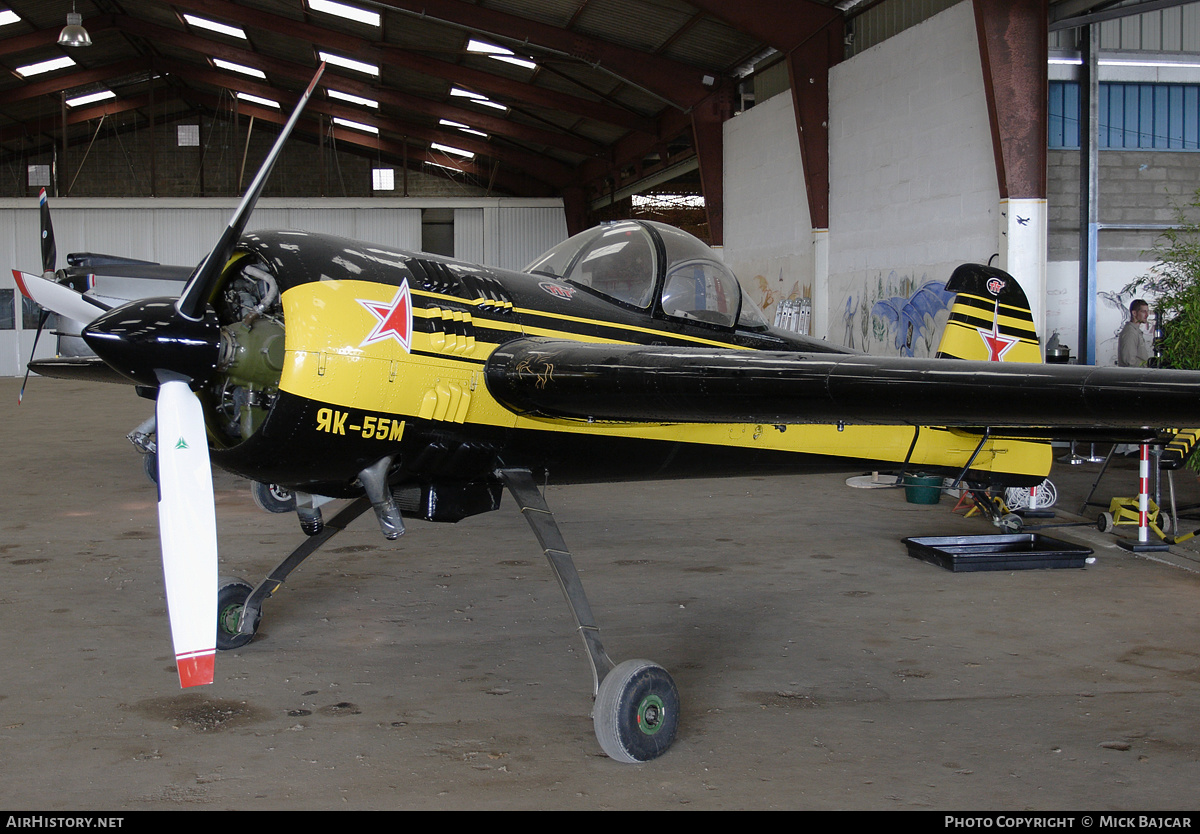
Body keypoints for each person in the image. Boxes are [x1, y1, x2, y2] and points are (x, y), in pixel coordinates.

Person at [1117, 299, 1153, 367]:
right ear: (1134, 313)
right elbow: (1130, 361)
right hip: (1133, 375)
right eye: (1143, 312)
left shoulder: (1135, 331)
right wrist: (1145, 367)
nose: (1147, 315)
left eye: (1147, 311)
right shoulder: (1130, 332)